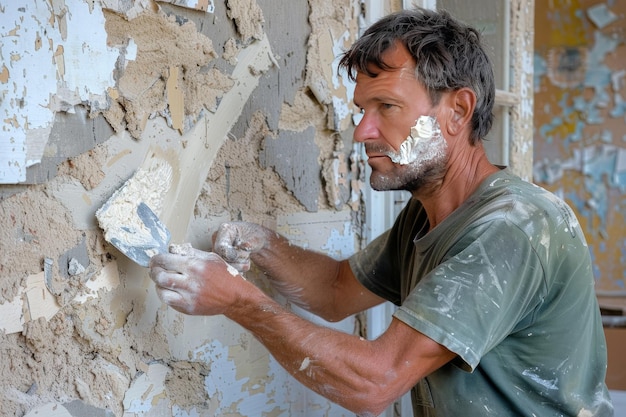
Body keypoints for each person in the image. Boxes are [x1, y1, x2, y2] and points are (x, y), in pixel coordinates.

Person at [148, 7, 614, 417]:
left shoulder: (513, 227)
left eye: (387, 107)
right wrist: (261, 243)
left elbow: (377, 382)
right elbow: (335, 292)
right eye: (362, 109)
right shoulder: (426, 213)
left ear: (458, 111)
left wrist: (237, 300)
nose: (363, 131)